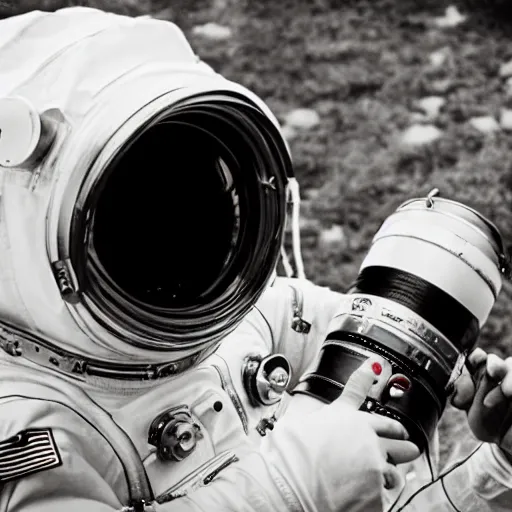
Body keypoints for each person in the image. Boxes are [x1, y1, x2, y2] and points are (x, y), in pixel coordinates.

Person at [0, 7, 510, 512]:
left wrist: (496, 469)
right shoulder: (27, 431)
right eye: (136, 202)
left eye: (186, 183)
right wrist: (288, 487)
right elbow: (311, 482)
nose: (172, 218)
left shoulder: (257, 317)